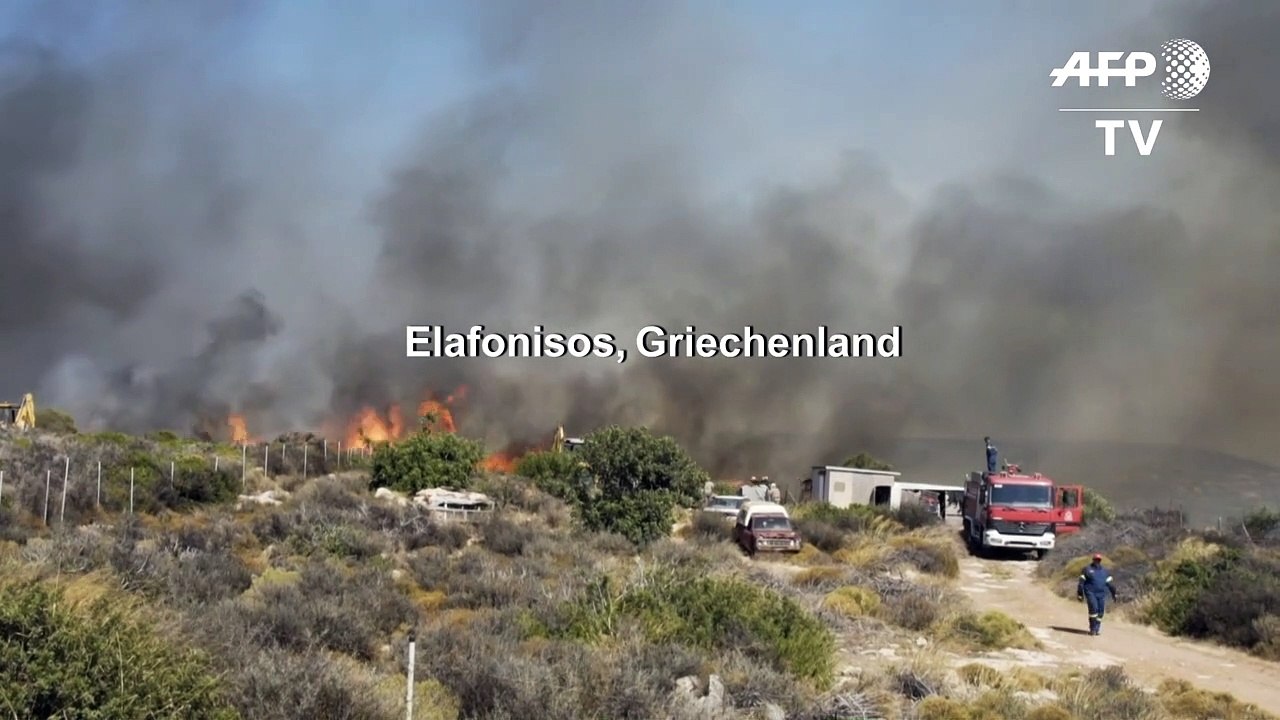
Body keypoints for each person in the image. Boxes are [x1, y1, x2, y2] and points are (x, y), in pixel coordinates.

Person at [1076, 553, 1118, 636]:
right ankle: (1092, 629)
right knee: (1094, 610)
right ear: (1093, 560)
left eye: (1099, 560)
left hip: (1101, 594)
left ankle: (1097, 629)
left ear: (1100, 561)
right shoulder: (1087, 569)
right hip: (1090, 592)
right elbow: (1081, 583)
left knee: (1100, 613)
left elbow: (1110, 584)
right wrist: (1080, 594)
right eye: (1096, 559)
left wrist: (1114, 593)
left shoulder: (1105, 572)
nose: (1097, 561)